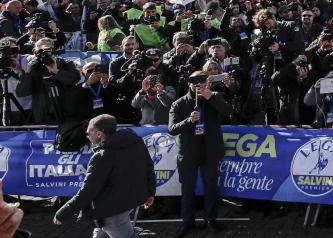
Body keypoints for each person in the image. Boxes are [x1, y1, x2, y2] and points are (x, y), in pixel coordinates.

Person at [53, 114, 155, 238]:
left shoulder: (101, 157)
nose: (87, 136)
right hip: (125, 204)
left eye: (88, 133)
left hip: (111, 211)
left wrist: (62, 214)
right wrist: (150, 192)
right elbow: (148, 167)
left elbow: (88, 191)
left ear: (99, 134)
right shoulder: (134, 142)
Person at [169, 72, 233, 235]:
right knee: (187, 190)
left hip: (210, 150)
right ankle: (187, 222)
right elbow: (172, 129)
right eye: (195, 83)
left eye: (203, 82)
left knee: (211, 187)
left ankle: (210, 219)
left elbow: (228, 112)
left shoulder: (214, 97)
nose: (199, 86)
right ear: (189, 84)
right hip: (189, 152)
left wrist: (210, 97)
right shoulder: (179, 104)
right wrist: (189, 121)